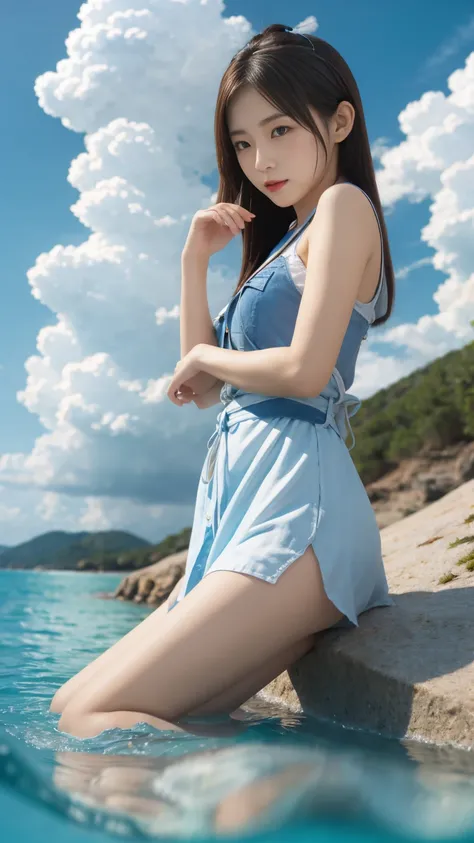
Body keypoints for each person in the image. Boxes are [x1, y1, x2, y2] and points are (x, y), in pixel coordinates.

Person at [52, 23, 395, 739]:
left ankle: (311, 780)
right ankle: (280, 778)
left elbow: (303, 370)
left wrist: (209, 361)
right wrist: (193, 262)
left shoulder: (343, 206)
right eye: (243, 143)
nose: (261, 159)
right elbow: (199, 388)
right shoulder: (283, 244)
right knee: (71, 706)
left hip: (302, 507)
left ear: (338, 120)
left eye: (278, 130)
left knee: (93, 720)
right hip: (242, 503)